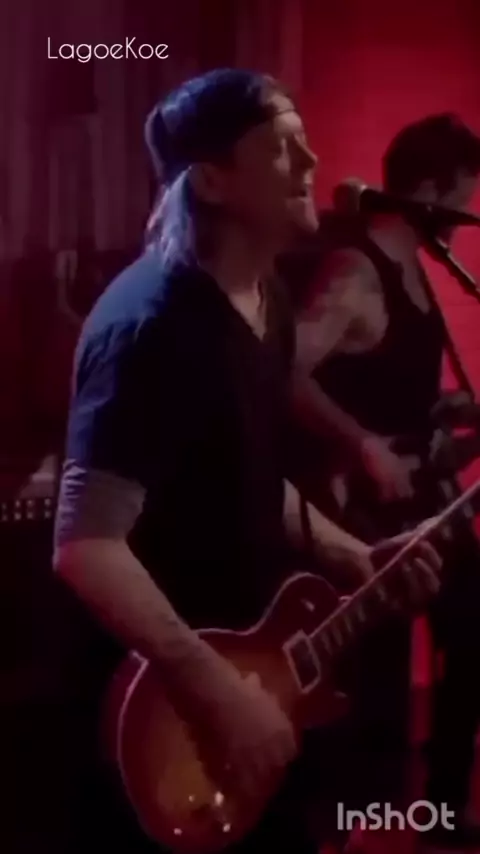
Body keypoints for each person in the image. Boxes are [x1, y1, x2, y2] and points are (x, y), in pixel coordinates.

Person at [53, 71, 441, 854]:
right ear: (213, 181)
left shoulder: (268, 304)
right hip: (163, 721)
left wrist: (355, 555)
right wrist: (216, 689)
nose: (312, 160)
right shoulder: (150, 327)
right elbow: (86, 546)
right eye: (282, 146)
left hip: (254, 689)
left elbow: (248, 476)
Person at [292, 113, 480, 852]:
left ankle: (441, 810)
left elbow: (392, 386)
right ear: (427, 192)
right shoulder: (355, 273)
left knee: (474, 629)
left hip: (425, 502)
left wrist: (452, 412)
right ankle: (365, 826)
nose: (463, 221)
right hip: (367, 515)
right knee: (378, 686)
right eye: (460, 202)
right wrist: (362, 443)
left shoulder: (416, 273)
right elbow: (281, 374)